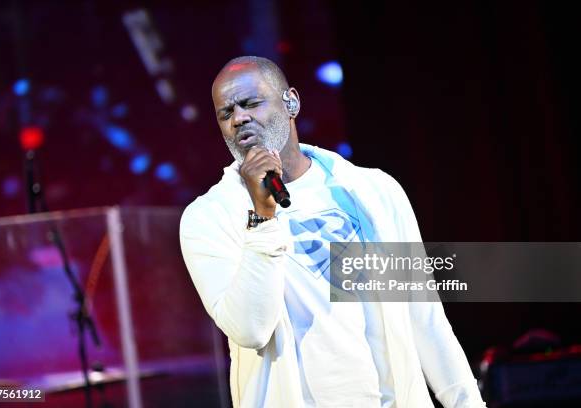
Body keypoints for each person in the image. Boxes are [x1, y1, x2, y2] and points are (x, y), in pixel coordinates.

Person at [179, 56, 486, 408]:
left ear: (291, 102)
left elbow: (425, 318)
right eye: (226, 113)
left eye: (251, 103)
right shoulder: (209, 217)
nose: (239, 119)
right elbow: (251, 329)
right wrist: (262, 217)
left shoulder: (373, 191)